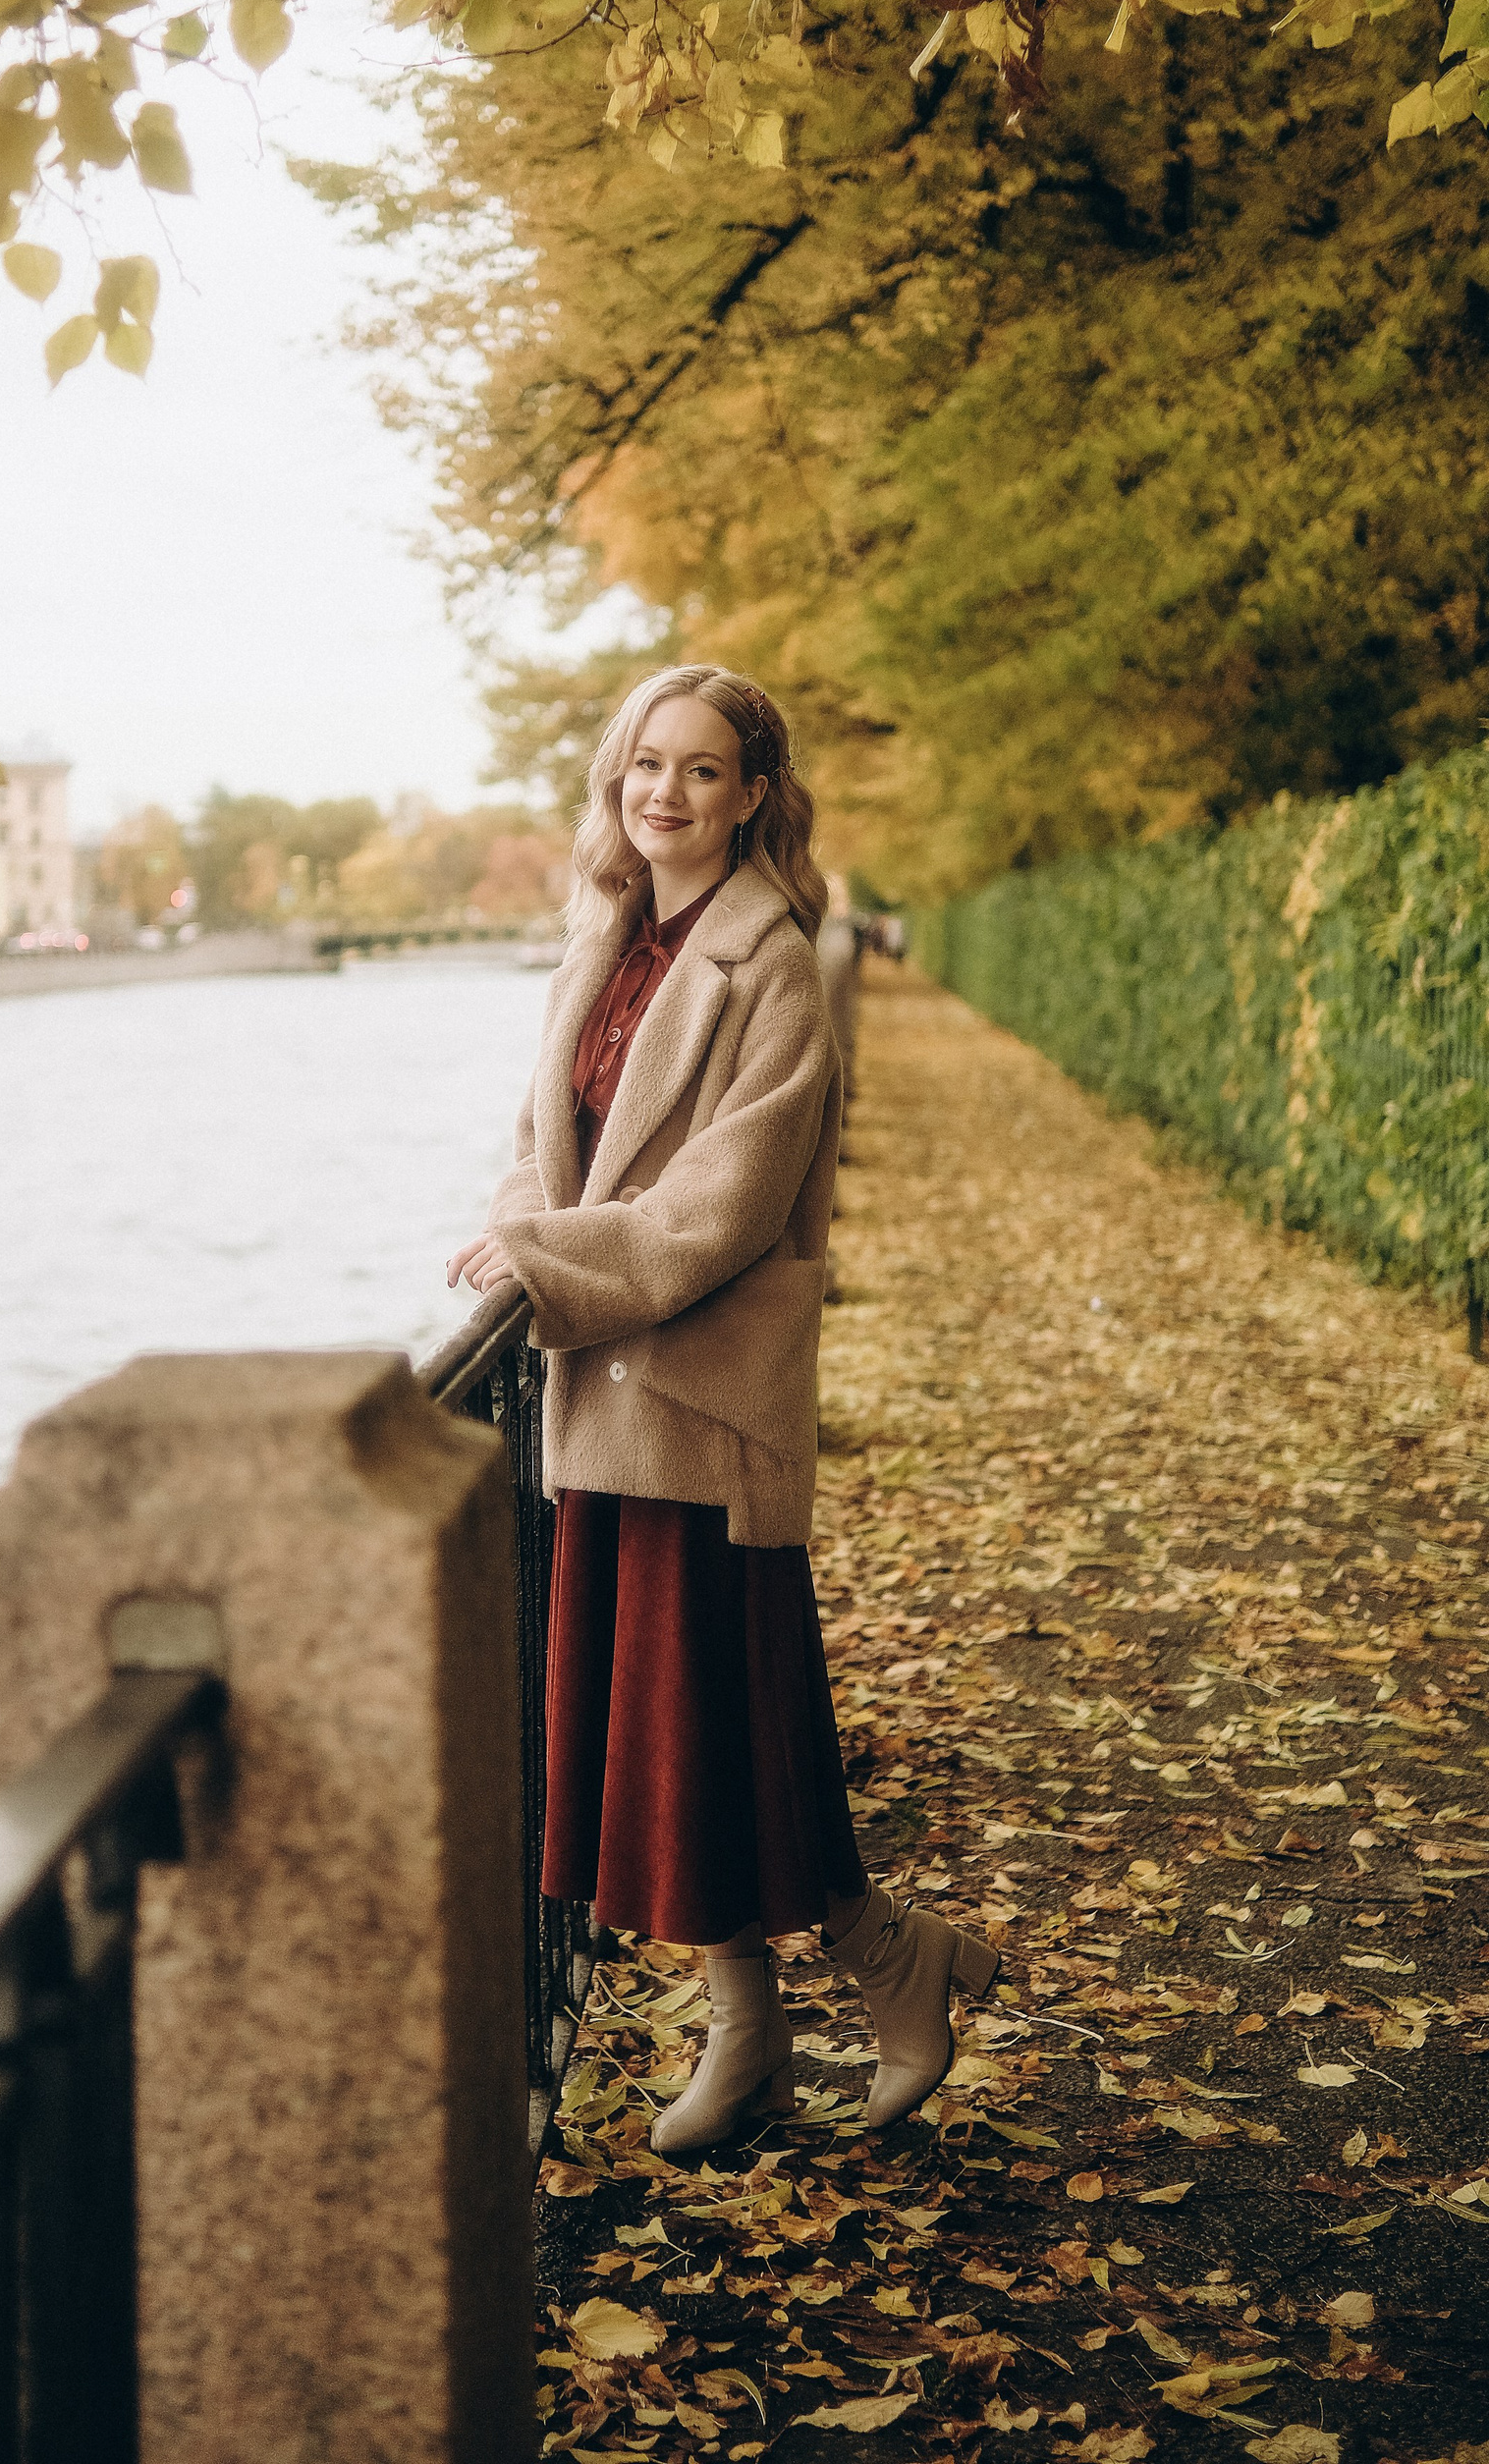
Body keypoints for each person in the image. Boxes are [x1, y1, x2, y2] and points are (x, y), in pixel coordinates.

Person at [449, 664, 998, 2152]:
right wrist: (518, 1232)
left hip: (704, 1395)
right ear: (614, 779)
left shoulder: (773, 964)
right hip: (607, 1385)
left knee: (722, 1718)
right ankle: (771, 2019)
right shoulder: (604, 934)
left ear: (754, 794)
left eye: (701, 770)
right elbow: (539, 1141)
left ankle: (870, 1965)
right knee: (684, 1736)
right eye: (645, 764)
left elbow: (724, 1208)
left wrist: (549, 1261)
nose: (665, 794)